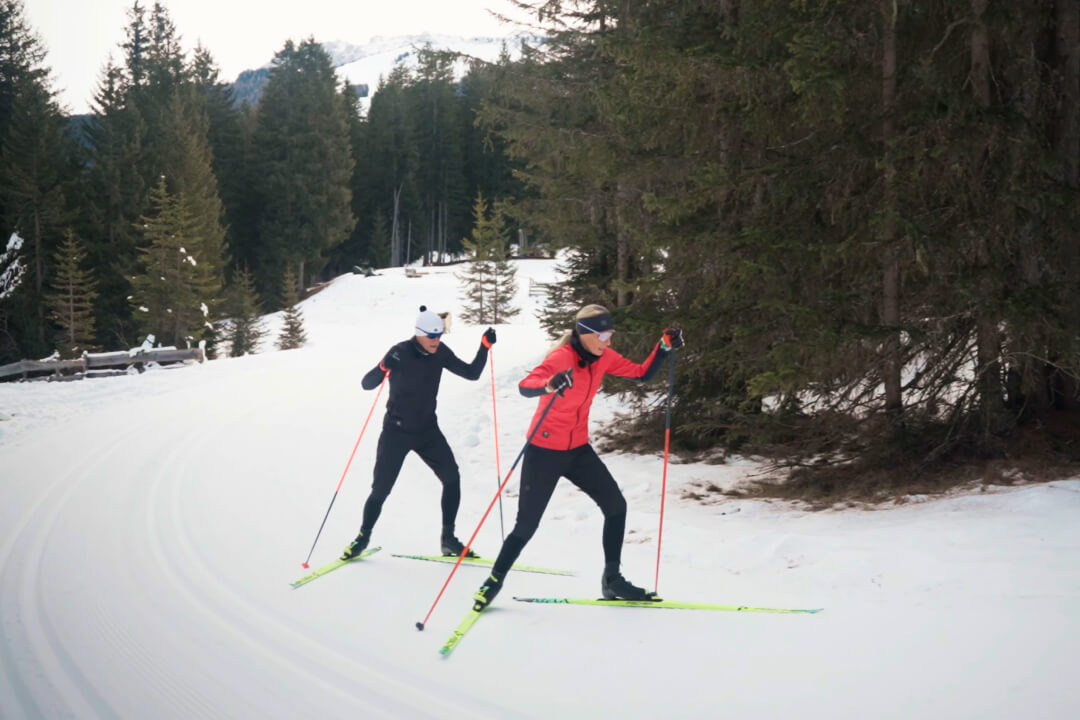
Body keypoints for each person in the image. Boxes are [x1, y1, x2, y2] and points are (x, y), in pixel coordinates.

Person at [471, 304, 684, 609]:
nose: (608, 341)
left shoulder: (604, 357)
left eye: (610, 334)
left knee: (616, 506)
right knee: (526, 525)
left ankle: (612, 579)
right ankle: (493, 580)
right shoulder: (561, 358)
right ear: (585, 334)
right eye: (603, 335)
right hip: (544, 451)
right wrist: (549, 384)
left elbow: (641, 373)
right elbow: (525, 386)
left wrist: (663, 347)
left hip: (577, 450)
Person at [341, 305, 497, 560]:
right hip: (396, 432)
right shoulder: (399, 352)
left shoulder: (440, 352)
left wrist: (484, 347)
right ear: (419, 333)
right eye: (432, 336)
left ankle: (448, 539)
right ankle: (362, 537)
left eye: (440, 335)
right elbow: (367, 384)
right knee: (381, 489)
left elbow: (471, 373)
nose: (436, 340)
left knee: (452, 478)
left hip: (427, 431)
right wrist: (383, 366)